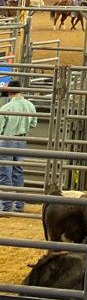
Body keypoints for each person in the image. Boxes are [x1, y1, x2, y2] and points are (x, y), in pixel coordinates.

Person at [0, 80, 37, 212]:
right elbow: (33, 123)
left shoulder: (5, 108)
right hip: (22, 140)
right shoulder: (30, 105)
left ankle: (6, 205)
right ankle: (19, 205)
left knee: (5, 173)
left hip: (6, 140)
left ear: (8, 91)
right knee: (18, 171)